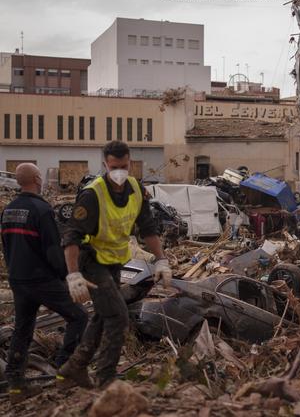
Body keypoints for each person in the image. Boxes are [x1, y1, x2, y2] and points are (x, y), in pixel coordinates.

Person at [56, 141, 172, 389]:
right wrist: (73, 274)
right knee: (118, 316)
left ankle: (74, 367)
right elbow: (71, 236)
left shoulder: (135, 189)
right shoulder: (92, 194)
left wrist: (161, 258)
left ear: (130, 163)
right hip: (90, 261)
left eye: (124, 166)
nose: (120, 171)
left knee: (102, 315)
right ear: (105, 165)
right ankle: (105, 378)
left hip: (114, 262)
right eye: (114, 166)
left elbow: (148, 228)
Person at [1, 163, 87, 403]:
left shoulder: (8, 209)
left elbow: (6, 247)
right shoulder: (42, 209)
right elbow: (52, 250)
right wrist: (66, 277)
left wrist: (14, 272)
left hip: (18, 279)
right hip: (42, 279)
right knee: (79, 316)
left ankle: (16, 384)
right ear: (38, 179)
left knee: (23, 328)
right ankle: (64, 368)